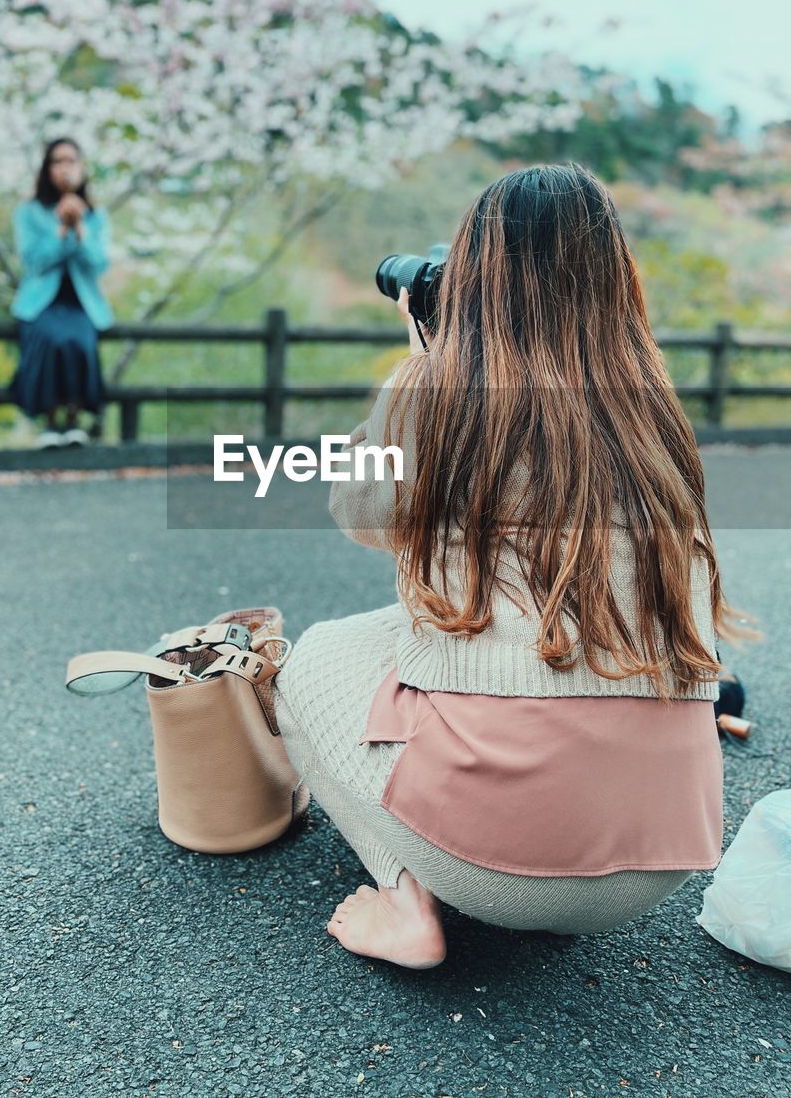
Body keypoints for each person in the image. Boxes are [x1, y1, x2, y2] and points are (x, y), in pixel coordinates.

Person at [271, 162, 757, 970]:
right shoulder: (654, 415)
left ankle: (407, 902)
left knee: (311, 660)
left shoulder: (448, 402)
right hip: (664, 857)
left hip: (497, 869)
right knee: (430, 631)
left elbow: (356, 510)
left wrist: (423, 364)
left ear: (474, 283)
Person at [9, 137, 113, 448]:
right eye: (58, 161)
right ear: (46, 168)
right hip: (41, 302)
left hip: (80, 301)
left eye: (71, 161)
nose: (65, 168)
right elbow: (33, 262)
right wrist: (61, 231)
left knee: (78, 341)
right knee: (52, 340)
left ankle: (74, 418)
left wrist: (80, 228)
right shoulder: (29, 211)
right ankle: (49, 421)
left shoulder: (96, 215)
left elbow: (99, 264)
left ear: (82, 168)